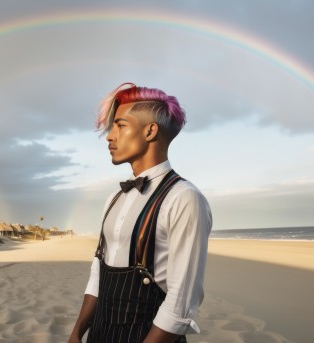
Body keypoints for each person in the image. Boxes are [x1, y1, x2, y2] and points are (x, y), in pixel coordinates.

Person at [69, 83, 212, 343]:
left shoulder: (183, 198)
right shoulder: (114, 198)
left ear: (150, 131)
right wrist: (78, 331)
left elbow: (181, 303)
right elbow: (98, 273)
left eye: (120, 125)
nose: (110, 136)